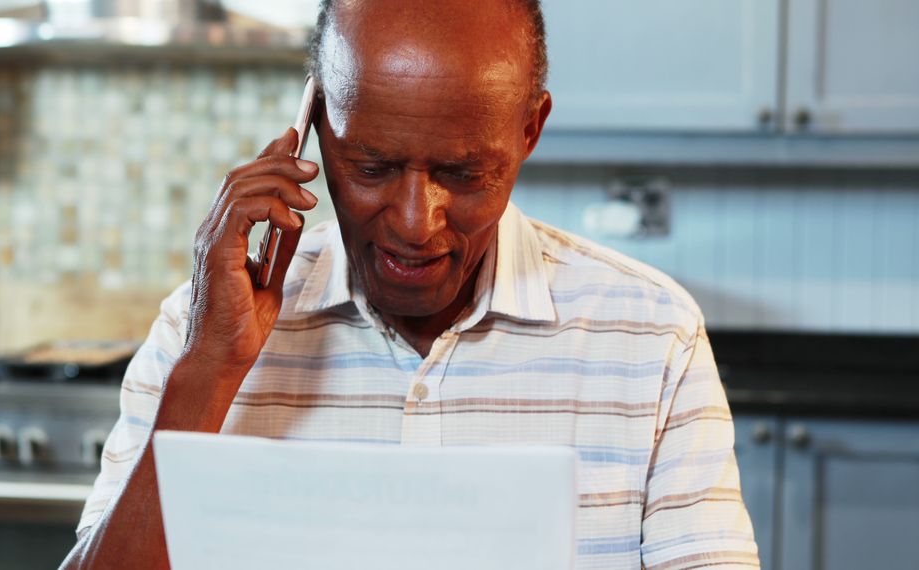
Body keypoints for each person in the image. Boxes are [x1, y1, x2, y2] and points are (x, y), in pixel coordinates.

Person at [61, 0, 759, 568]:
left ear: (529, 131)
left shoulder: (652, 338)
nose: (415, 222)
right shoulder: (201, 328)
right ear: (314, 128)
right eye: (372, 166)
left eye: (463, 174)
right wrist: (211, 366)